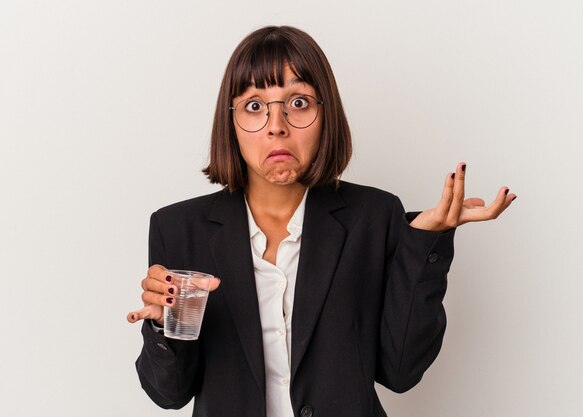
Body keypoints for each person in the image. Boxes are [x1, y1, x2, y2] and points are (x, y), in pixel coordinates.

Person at [127, 25, 516, 417]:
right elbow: (170, 394)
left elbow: (401, 371)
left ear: (325, 112)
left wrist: (425, 243)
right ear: (231, 121)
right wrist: (164, 328)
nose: (276, 126)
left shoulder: (374, 217)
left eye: (298, 103)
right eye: (255, 106)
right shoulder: (178, 228)